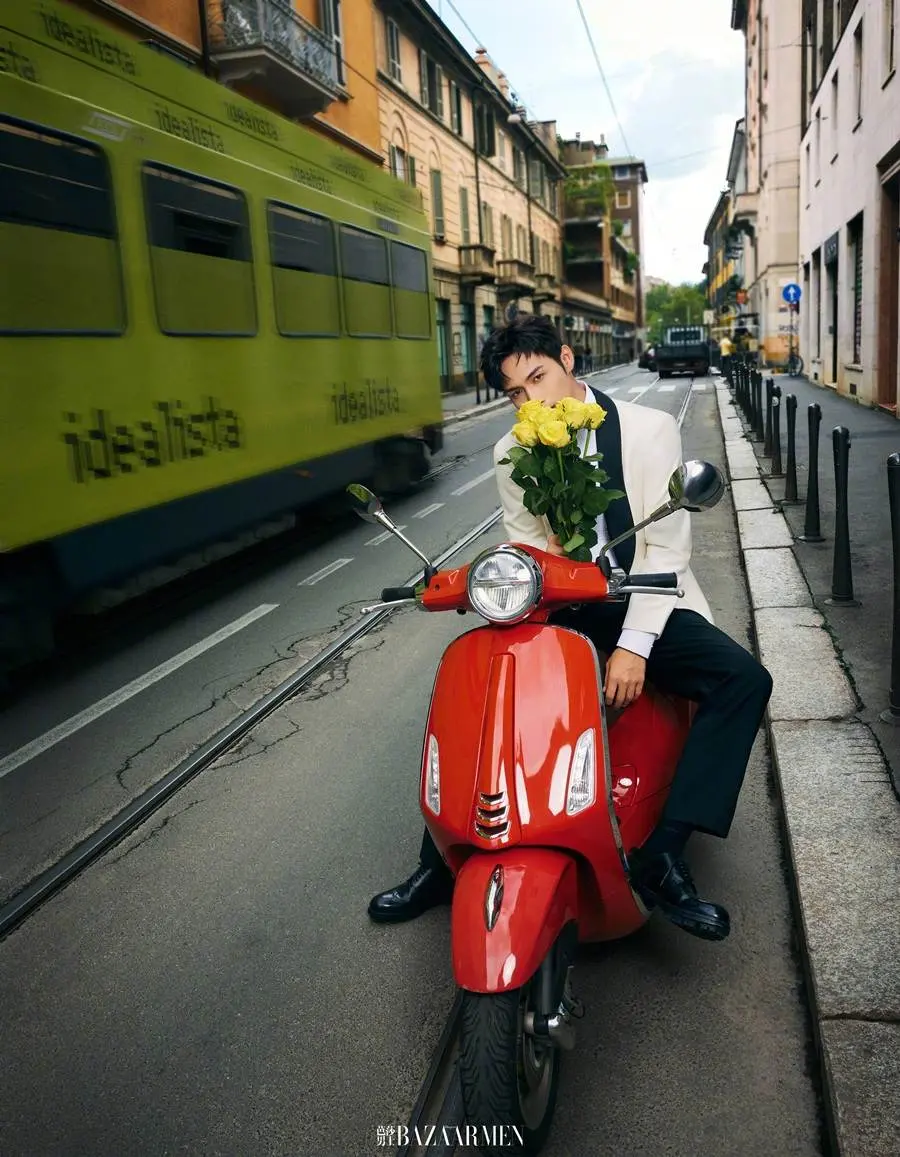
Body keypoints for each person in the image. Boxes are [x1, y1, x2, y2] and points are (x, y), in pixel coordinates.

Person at [368, 314, 773, 942]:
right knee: (482, 690)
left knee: (744, 679)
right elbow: (525, 551)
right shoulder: (512, 451)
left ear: (567, 360)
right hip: (564, 604)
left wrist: (634, 648)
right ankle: (439, 863)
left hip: (646, 597)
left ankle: (666, 852)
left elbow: (666, 551)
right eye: (516, 393)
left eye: (539, 377)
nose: (532, 400)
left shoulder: (649, 429)